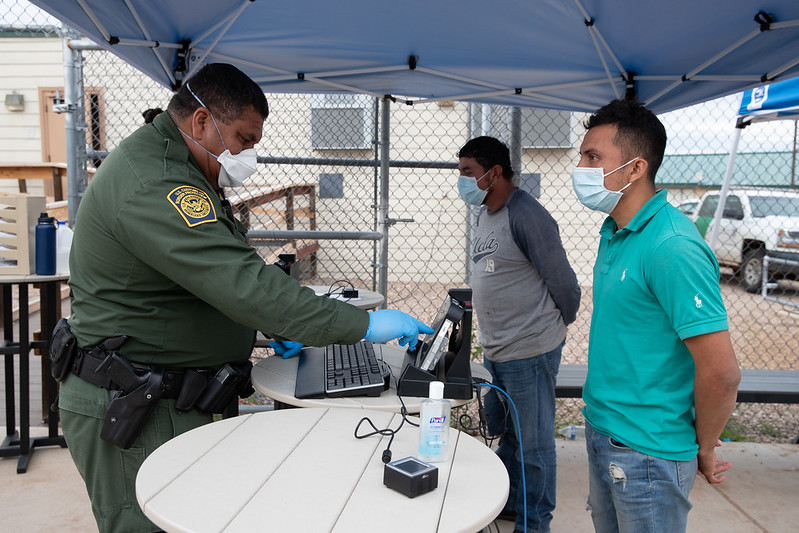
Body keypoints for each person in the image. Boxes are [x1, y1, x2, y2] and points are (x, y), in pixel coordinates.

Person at [55, 63, 432, 533]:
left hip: (165, 393)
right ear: (201, 122)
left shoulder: (180, 167)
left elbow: (205, 275)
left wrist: (275, 325)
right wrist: (363, 326)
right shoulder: (157, 183)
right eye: (243, 138)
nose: (247, 153)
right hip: (135, 402)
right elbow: (241, 283)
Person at [574, 98, 741, 532]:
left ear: (635, 169)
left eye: (593, 157)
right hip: (604, 430)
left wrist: (704, 446)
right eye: (582, 155)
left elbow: (721, 372)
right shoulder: (615, 231)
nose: (581, 166)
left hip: (647, 451)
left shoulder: (672, 246)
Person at [457, 136, 581, 533]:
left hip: (529, 349)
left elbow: (564, 284)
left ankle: (534, 522)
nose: (461, 182)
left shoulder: (528, 215)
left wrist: (548, 329)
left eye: (467, 173)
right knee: (507, 433)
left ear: (494, 173)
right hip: (498, 347)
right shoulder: (484, 213)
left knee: (534, 444)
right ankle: (511, 504)